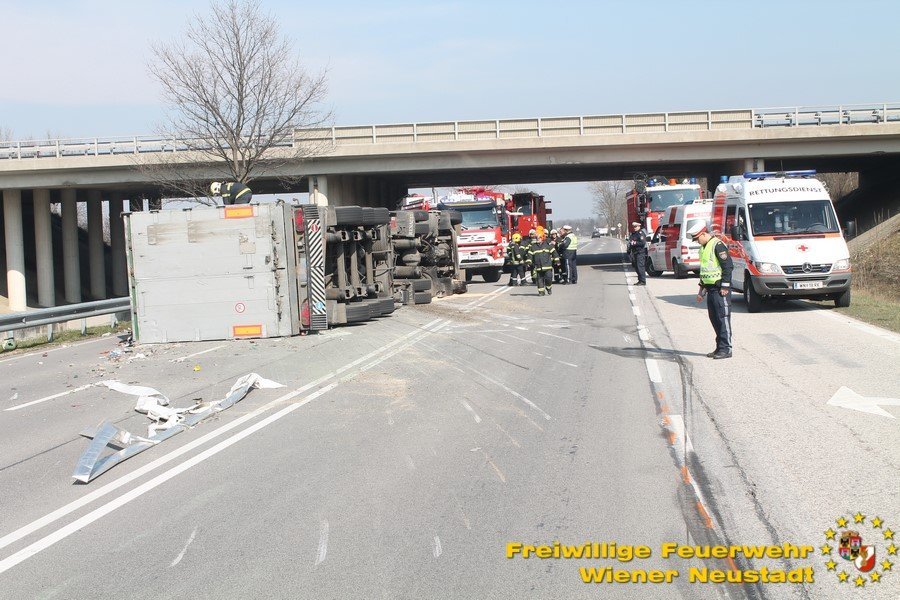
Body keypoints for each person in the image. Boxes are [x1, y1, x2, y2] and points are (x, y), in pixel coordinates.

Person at [687, 222, 734, 359]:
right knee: (714, 319)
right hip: (710, 289)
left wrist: (725, 286)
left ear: (703, 234)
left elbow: (728, 266)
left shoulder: (717, 245)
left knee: (723, 318)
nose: (696, 242)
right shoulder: (703, 248)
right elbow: (704, 271)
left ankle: (726, 349)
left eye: (697, 239)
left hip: (720, 289)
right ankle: (719, 347)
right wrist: (701, 290)